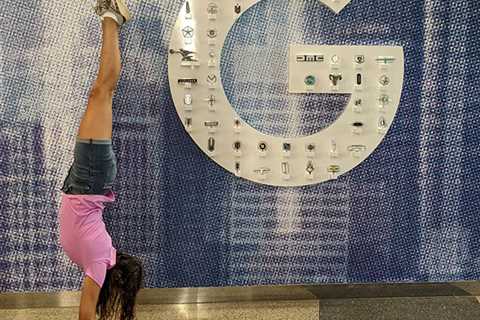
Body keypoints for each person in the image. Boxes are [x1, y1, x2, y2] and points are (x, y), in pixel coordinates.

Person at [58, 1, 144, 320]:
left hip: (83, 181)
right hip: (89, 179)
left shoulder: (99, 261)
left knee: (102, 92)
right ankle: (111, 17)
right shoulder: (98, 260)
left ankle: (111, 17)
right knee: (102, 91)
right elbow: (85, 314)